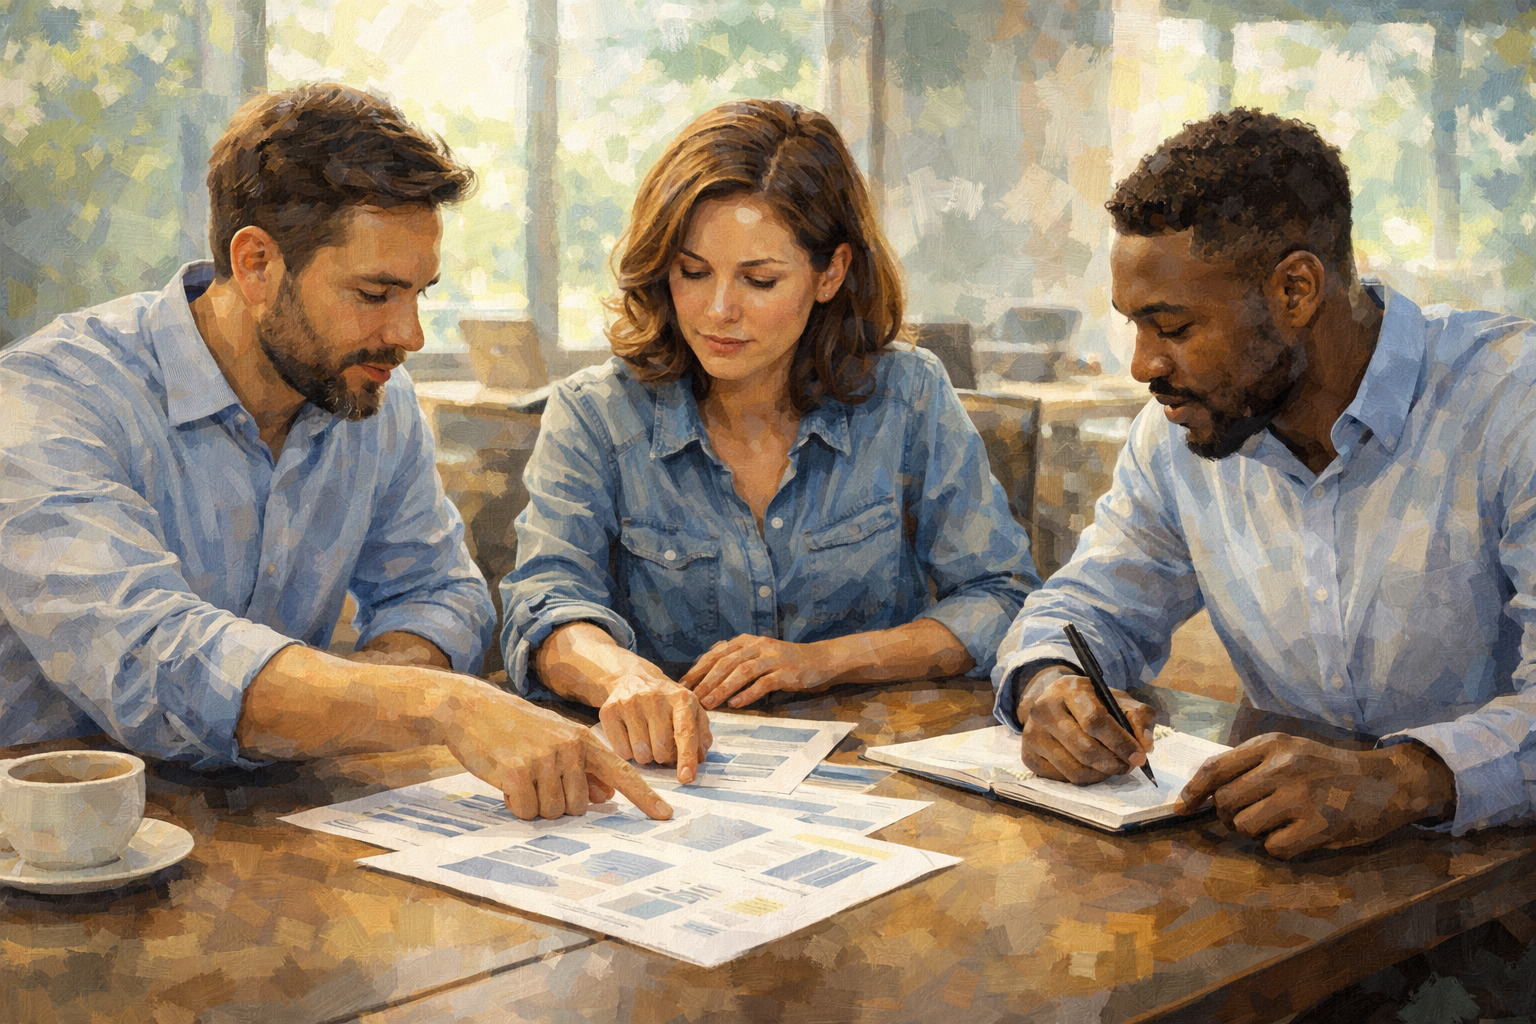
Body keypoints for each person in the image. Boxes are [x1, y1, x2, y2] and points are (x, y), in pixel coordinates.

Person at [0, 83, 669, 823]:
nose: (410, 336)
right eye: (376, 293)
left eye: (419, 293)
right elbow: (149, 658)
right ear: (255, 264)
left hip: (274, 823)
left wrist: (351, 698)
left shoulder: (373, 401)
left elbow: (442, 595)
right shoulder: (47, 399)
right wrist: (434, 703)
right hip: (47, 848)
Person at [993, 106, 1536, 858]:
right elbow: (1087, 604)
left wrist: (1404, 778)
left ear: (1296, 291)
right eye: (1133, 327)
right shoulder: (1181, 433)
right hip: (1300, 879)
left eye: (1173, 327)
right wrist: (1048, 684)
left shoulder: (1515, 403)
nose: (1141, 365)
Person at [501, 98, 1039, 784]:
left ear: (830, 273)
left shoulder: (907, 395)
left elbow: (1001, 595)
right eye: (693, 272)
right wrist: (623, 677)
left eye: (759, 280)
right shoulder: (595, 413)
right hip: (674, 778)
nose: (719, 309)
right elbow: (544, 605)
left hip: (880, 772)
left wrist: (823, 660)